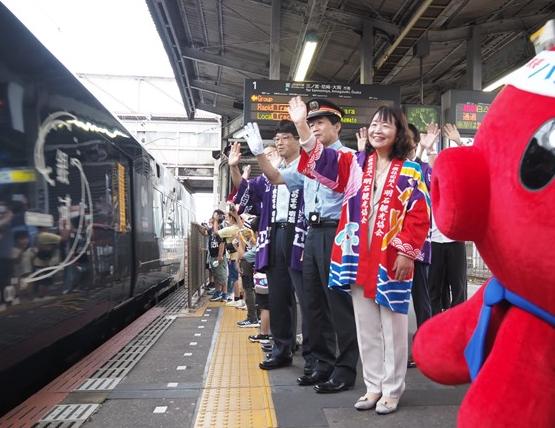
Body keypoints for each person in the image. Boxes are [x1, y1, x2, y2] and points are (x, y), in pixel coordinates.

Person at [289, 96, 430, 414]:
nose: (379, 129)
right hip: (356, 256)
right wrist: (301, 124)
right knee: (366, 326)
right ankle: (373, 387)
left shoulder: (411, 171)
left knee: (393, 327)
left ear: (399, 132)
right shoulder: (356, 165)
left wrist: (407, 253)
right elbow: (321, 162)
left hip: (391, 258)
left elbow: (419, 214)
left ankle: (393, 390)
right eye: (376, 123)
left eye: (387, 124)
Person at [243, 100, 359, 392]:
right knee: (314, 304)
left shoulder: (349, 157)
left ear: (337, 126)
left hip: (337, 233)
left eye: (320, 123)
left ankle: (345, 368)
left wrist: (301, 128)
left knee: (338, 306)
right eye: (312, 122)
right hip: (312, 233)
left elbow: (331, 175)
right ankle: (321, 364)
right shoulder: (308, 162)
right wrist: (258, 151)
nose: (315, 128)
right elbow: (278, 177)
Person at [230, 120, 313, 372]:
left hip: (300, 233)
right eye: (276, 139)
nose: (279, 143)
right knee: (278, 296)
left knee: (307, 296)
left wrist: (258, 156)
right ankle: (281, 348)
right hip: (275, 235)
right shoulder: (268, 179)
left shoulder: (308, 166)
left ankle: (312, 352)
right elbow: (243, 191)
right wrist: (234, 167)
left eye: (286, 138)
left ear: (299, 140)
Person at [428, 123, 468, 314]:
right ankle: (436, 324)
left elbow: (472, 165)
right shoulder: (427, 183)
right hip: (433, 241)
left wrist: (459, 142)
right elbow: (421, 165)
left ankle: (458, 322)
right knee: (433, 288)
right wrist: (428, 146)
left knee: (458, 287)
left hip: (455, 241)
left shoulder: (459, 184)